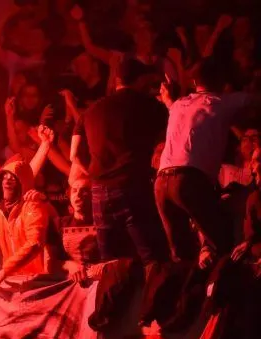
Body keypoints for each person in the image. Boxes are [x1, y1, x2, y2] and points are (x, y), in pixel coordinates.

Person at [156, 57, 259, 263]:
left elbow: (171, 104)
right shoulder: (223, 101)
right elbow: (254, 99)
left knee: (180, 257)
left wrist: (167, 96)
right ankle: (222, 292)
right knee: (221, 243)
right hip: (188, 180)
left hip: (161, 183)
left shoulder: (178, 104)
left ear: (195, 83)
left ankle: (183, 292)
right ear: (223, 82)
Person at [70, 58, 169, 265]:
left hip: (99, 190)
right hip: (133, 186)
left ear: (116, 80)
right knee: (152, 256)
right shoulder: (150, 106)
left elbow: (74, 155)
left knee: (109, 261)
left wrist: (94, 174)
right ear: (141, 79)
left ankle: (111, 295)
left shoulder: (91, 110)